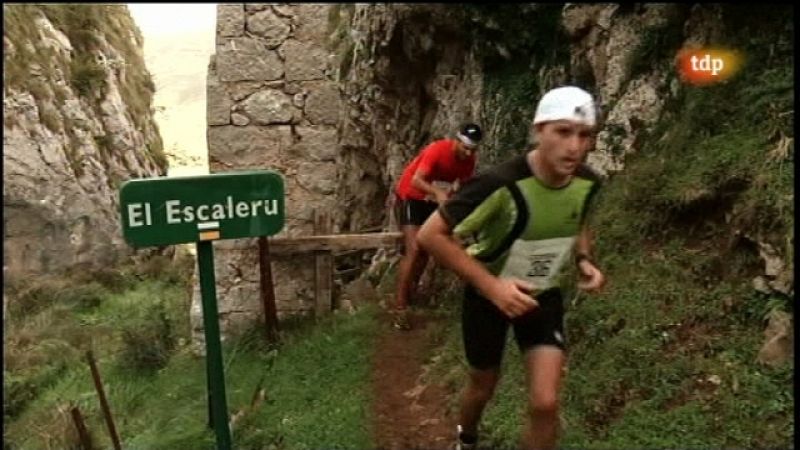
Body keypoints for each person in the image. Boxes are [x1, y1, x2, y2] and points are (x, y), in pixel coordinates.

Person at [417, 86, 606, 449]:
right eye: (563, 132)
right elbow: (430, 235)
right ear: (539, 130)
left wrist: (583, 259)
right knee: (482, 384)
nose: (575, 147)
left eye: (584, 135)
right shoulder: (498, 182)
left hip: (542, 297)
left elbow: (578, 218)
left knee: (546, 403)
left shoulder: (587, 182)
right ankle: (466, 438)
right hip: (487, 297)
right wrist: (493, 288)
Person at [391, 123, 483, 330]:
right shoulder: (437, 150)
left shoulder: (469, 161)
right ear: (456, 141)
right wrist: (438, 193)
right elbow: (416, 181)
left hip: (433, 201)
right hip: (411, 196)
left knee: (426, 247)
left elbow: (464, 185)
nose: (468, 152)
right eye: (465, 147)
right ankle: (399, 305)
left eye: (472, 149)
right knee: (414, 248)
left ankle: (412, 290)